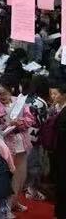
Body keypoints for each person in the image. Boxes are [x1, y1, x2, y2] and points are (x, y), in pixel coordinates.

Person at [0, 80, 34, 214]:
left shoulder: (19, 102)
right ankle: (5, 208)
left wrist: (19, 123)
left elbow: (30, 119)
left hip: (22, 143)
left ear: (11, 90)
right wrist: (7, 125)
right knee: (8, 177)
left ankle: (14, 202)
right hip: (6, 146)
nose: (2, 97)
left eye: (4, 93)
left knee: (21, 176)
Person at [50, 84, 66, 219]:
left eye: (55, 94)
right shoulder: (55, 108)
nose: (53, 96)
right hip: (58, 151)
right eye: (51, 94)